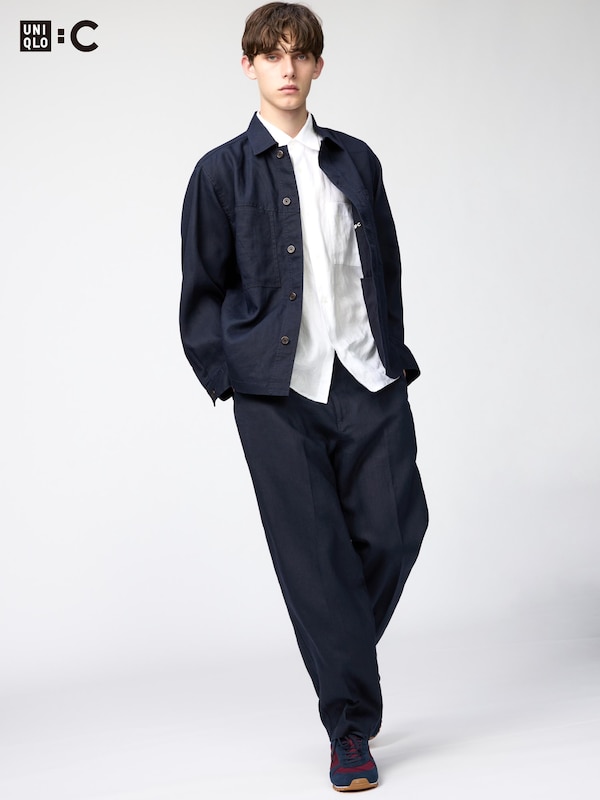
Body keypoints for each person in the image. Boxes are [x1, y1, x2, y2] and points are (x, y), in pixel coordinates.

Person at [180, 2, 428, 791]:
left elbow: (385, 265)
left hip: (365, 373)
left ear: (318, 65)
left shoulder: (356, 160)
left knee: (398, 529)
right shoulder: (219, 173)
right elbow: (202, 287)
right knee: (315, 559)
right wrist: (231, 379)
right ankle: (349, 728)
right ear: (248, 66)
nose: (287, 68)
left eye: (300, 54)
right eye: (271, 54)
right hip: (276, 393)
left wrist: (391, 351)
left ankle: (338, 655)